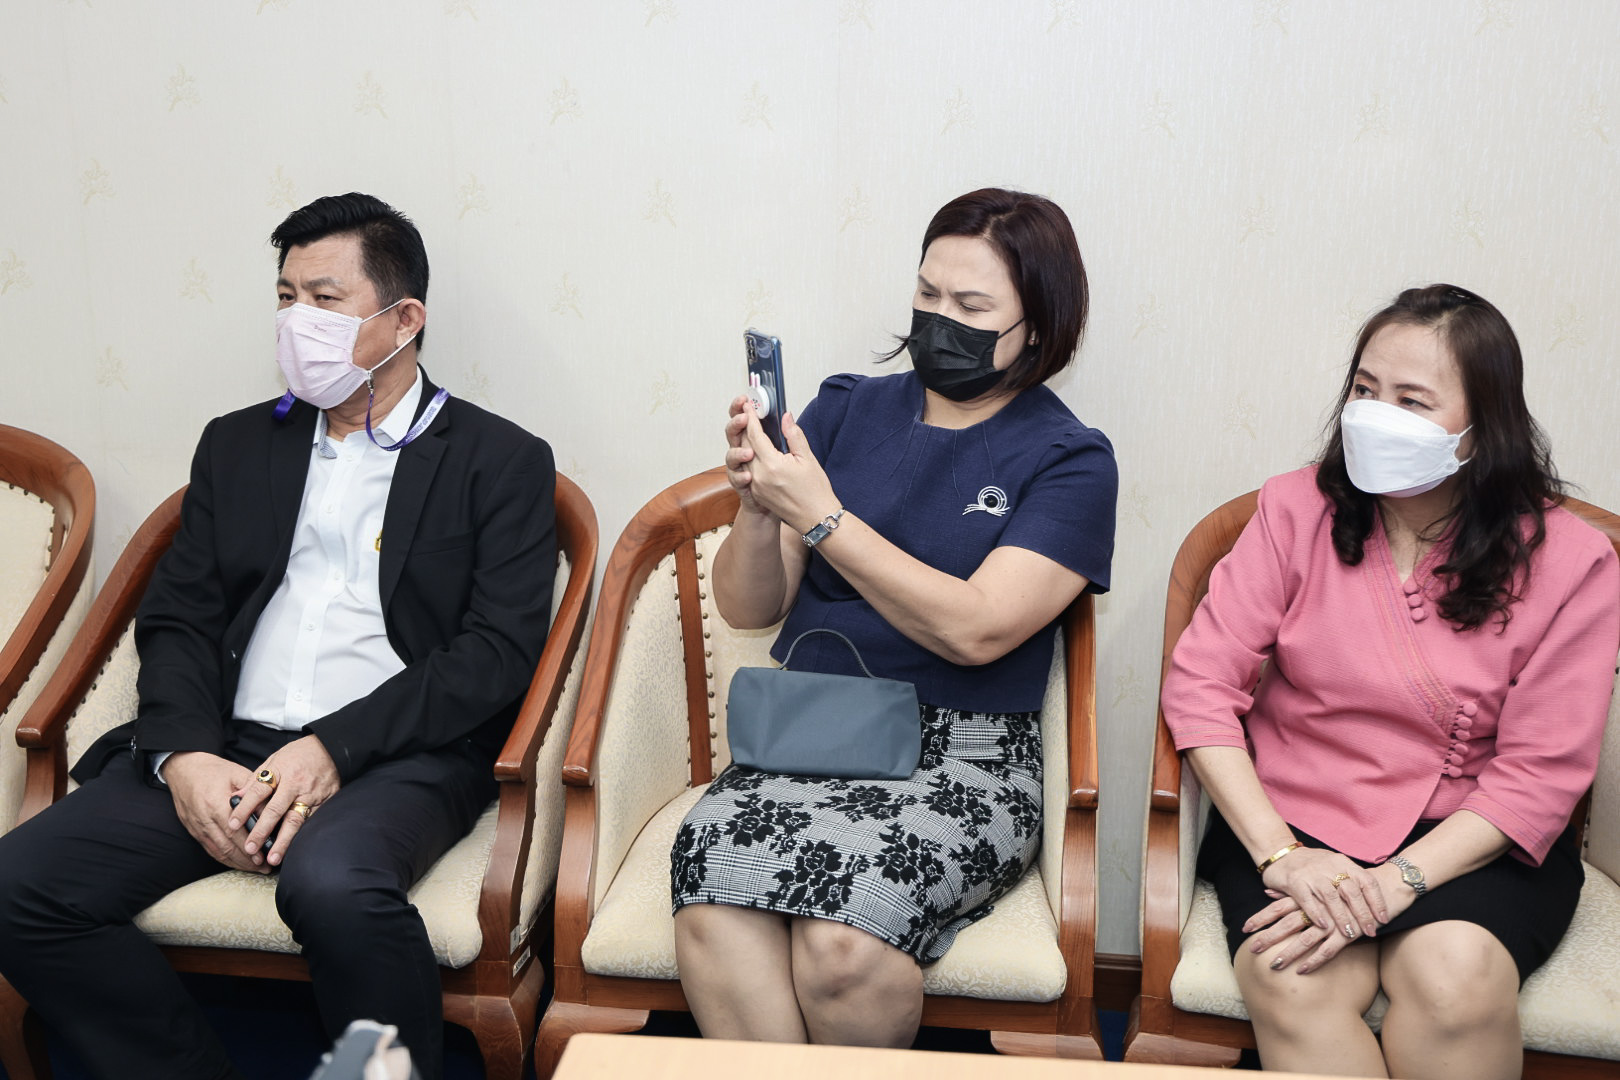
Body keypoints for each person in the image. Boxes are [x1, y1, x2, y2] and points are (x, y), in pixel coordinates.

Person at [0, 193, 557, 1080]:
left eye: (325, 300)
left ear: (405, 319)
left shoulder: (499, 460)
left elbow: (495, 653)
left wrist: (333, 748)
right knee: (18, 886)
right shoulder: (236, 446)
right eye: (286, 297)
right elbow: (179, 618)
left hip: (392, 756)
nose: (298, 321)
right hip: (228, 745)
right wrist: (183, 755)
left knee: (333, 887)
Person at [669, 188, 1118, 1047]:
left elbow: (977, 629)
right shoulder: (844, 409)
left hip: (965, 759)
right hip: (811, 734)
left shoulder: (1070, 460)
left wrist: (824, 517)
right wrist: (761, 508)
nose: (939, 319)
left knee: (842, 943)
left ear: (1039, 326)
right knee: (713, 901)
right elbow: (748, 607)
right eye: (927, 293)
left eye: (972, 306)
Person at [1162, 284, 1619, 1078]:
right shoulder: (1294, 509)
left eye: (1412, 401)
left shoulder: (1572, 561)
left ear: (1484, 427)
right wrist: (1281, 856)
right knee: (1290, 976)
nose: (1376, 417)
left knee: (1454, 981)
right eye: (1365, 391)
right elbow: (1200, 688)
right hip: (1294, 824)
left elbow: (1542, 772)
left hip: (1473, 842)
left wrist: (1397, 883)